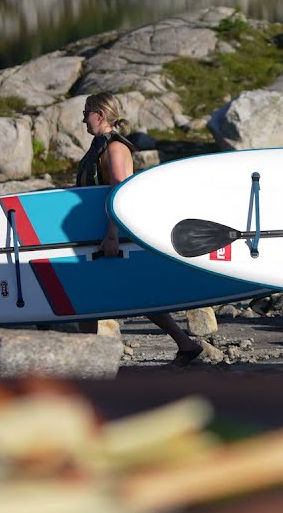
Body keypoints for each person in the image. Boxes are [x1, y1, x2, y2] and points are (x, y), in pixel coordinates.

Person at [76, 92, 205, 366]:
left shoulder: (115, 148)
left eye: (86, 112)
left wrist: (112, 235)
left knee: (87, 296)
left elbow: (119, 192)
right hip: (97, 234)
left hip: (114, 235)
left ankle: (85, 358)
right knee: (129, 295)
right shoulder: (99, 146)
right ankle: (186, 344)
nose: (83, 118)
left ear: (99, 114)